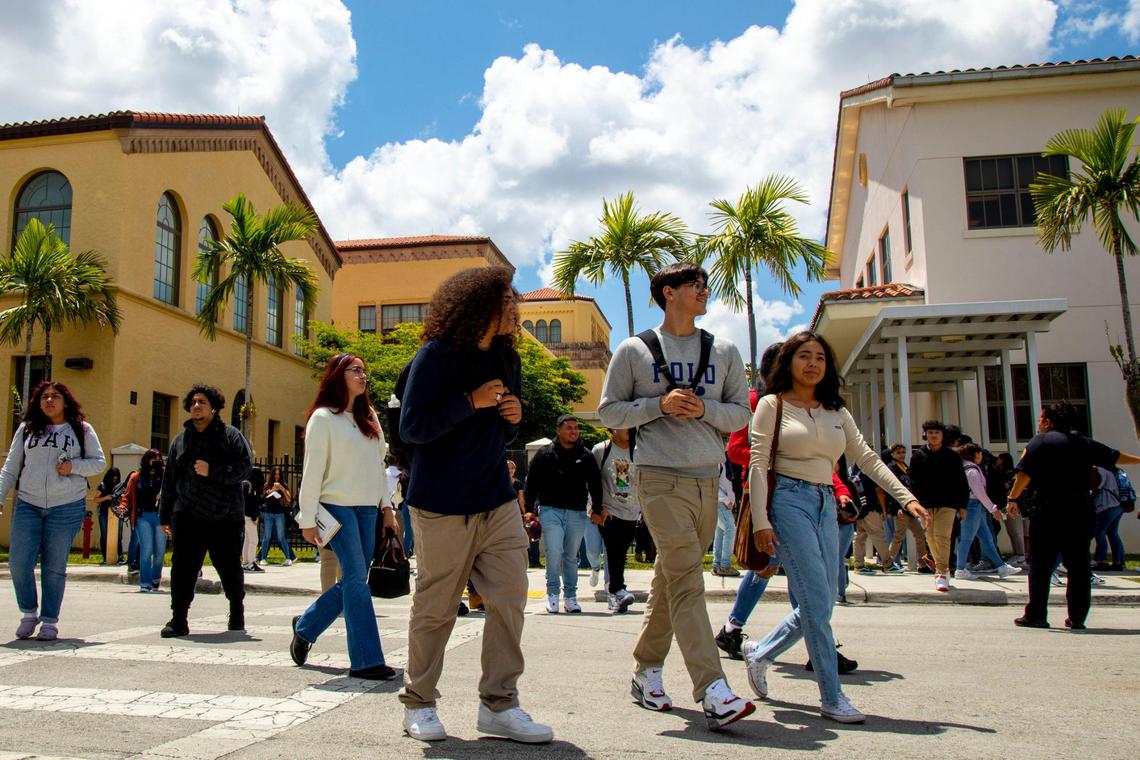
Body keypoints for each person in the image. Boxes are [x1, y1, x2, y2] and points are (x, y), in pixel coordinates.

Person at [399, 266, 553, 744]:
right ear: (478, 304)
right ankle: (419, 703)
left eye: (514, 299)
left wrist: (512, 417)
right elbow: (412, 428)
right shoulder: (437, 356)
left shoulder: (508, 358)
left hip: (497, 500)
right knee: (437, 607)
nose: (515, 308)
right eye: (506, 300)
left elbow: (501, 432)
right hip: (442, 504)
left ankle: (499, 705)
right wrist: (470, 401)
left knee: (510, 598)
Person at [740, 332, 928, 724]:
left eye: (820, 358)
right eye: (804, 356)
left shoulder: (836, 410)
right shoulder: (772, 405)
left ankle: (761, 652)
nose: (812, 363)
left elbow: (867, 458)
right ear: (788, 362)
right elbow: (758, 464)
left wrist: (904, 496)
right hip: (787, 501)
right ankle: (832, 696)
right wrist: (761, 521)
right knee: (814, 598)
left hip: (827, 502)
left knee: (821, 600)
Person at [599, 262, 755, 730]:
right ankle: (713, 688)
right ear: (669, 293)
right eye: (696, 285)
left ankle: (645, 668)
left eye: (705, 285)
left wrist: (704, 408)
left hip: (708, 479)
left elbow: (739, 415)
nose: (705, 291)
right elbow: (609, 410)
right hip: (658, 478)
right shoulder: (634, 350)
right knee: (689, 577)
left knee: (672, 577)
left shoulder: (724, 350)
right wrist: (658, 406)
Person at [290, 353, 398, 679]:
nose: (363, 375)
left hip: (367, 508)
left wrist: (387, 509)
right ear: (338, 376)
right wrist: (306, 518)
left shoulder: (371, 419)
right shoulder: (322, 418)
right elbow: (312, 472)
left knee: (355, 579)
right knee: (353, 577)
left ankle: (306, 626)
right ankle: (366, 660)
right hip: (334, 507)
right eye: (355, 370)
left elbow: (380, 469)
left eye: (364, 370)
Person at [1007, 401, 1140, 629]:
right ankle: (1077, 618)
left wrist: (1012, 499)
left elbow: (1024, 475)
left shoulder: (1040, 442)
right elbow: (1115, 457)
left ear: (1048, 422)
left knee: (1041, 566)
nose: (1039, 423)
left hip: (1047, 512)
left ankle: (1036, 615)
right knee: (1079, 566)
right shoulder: (1084, 444)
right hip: (1080, 511)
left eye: (1040, 419)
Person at [0, 380, 106, 641]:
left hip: (66, 506)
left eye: (55, 396)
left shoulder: (82, 429)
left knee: (54, 566)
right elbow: (11, 467)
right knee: (19, 563)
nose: (49, 400)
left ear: (65, 401)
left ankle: (49, 621)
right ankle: (28, 613)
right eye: (44, 396)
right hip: (28, 504)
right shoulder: (26, 430)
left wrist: (73, 467)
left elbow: (98, 463)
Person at [159, 385, 252, 638]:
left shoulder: (230, 436)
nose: (197, 406)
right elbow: (170, 479)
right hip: (187, 513)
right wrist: (165, 516)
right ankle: (179, 618)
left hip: (226, 515)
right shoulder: (181, 440)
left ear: (214, 407)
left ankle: (236, 609)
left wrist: (214, 471)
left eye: (202, 402)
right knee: (182, 567)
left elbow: (246, 467)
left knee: (229, 566)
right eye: (193, 402)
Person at [524, 414, 603, 613]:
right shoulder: (544, 454)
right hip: (550, 510)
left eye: (576, 428)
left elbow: (595, 483)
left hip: (577, 512)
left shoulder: (585, 456)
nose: (573, 431)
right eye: (569, 428)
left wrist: (597, 509)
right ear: (558, 430)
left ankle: (570, 597)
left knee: (570, 555)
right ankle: (552, 594)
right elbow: (531, 483)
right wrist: (529, 511)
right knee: (554, 550)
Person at [909, 420, 968, 592]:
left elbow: (961, 481)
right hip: (925, 505)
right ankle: (940, 567)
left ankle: (942, 572)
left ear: (943, 435)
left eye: (937, 432)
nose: (934, 435)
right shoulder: (918, 456)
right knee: (931, 538)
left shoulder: (952, 456)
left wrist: (962, 505)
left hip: (947, 503)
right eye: (930, 432)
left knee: (943, 536)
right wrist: (913, 503)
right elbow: (912, 481)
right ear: (925, 434)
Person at [591, 428, 640, 613]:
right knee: (614, 550)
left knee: (621, 551)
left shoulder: (638, 451)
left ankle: (616, 593)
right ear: (613, 429)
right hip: (609, 511)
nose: (629, 429)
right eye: (624, 425)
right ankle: (617, 590)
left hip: (631, 511)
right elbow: (591, 481)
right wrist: (596, 509)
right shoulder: (601, 450)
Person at [954, 443, 1020, 580]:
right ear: (975, 454)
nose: (981, 456)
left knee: (987, 538)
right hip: (972, 506)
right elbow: (979, 493)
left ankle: (1001, 566)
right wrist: (993, 508)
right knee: (967, 538)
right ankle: (960, 569)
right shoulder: (971, 470)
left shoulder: (966, 467)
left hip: (974, 506)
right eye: (979, 453)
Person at [124, 449, 169, 592]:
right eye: (152, 459)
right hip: (142, 516)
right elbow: (128, 495)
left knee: (160, 552)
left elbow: (175, 493)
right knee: (146, 550)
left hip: (161, 517)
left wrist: (164, 496)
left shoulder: (165, 477)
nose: (155, 462)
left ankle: (156, 579)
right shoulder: (136, 477)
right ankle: (145, 583)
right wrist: (122, 507)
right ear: (146, 460)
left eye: (158, 459)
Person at [881, 444, 926, 571]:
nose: (902, 454)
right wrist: (895, 508)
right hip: (900, 508)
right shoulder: (891, 468)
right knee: (898, 537)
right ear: (893, 454)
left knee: (920, 535)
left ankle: (922, 563)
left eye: (903, 452)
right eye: (899, 452)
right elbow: (891, 490)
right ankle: (887, 563)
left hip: (910, 509)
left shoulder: (905, 467)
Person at [257, 465, 296, 567]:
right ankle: (263, 558)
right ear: (272, 475)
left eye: (278, 474)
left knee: (281, 536)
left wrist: (281, 488)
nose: (276, 476)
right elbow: (262, 497)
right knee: (267, 536)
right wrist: (270, 491)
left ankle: (288, 558)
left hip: (279, 513)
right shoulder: (268, 484)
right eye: (275, 474)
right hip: (268, 513)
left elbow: (289, 499)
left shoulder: (284, 485)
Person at [1092, 466, 1126, 571]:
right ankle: (1118, 562)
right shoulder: (1118, 471)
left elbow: (1097, 487)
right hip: (1119, 505)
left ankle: (1101, 561)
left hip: (1106, 505)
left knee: (1099, 532)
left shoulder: (1102, 470)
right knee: (1113, 533)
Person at [711, 461, 739, 577]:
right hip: (721, 503)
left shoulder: (723, 463)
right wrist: (727, 501)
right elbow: (713, 485)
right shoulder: (719, 463)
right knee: (730, 529)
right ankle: (725, 566)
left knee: (720, 531)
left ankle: (717, 565)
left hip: (723, 503)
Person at [95, 468, 122, 563]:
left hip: (117, 513)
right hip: (104, 512)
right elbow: (96, 499)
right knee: (104, 534)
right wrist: (106, 497)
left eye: (116, 478)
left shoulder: (120, 486)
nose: (115, 480)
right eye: (113, 479)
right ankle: (105, 557)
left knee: (118, 535)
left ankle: (120, 556)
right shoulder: (103, 485)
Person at [241, 468, 265, 573]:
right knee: (254, 540)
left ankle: (246, 562)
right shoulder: (252, 486)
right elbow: (253, 503)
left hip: (244, 515)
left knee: (247, 539)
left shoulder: (245, 483)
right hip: (250, 516)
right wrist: (255, 516)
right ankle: (250, 563)